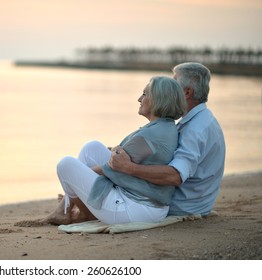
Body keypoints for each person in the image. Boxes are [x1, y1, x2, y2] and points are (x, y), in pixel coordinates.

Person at [29, 76, 187, 226]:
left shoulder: (151, 134)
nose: (139, 99)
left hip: (137, 209)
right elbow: (121, 158)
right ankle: (68, 209)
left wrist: (75, 181)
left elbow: (112, 167)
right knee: (92, 148)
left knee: (66, 165)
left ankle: (77, 212)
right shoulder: (164, 127)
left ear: (157, 99)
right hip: (150, 205)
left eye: (144, 94)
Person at [108, 62, 226, 216]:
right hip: (196, 202)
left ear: (187, 92)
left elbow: (175, 176)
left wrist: (128, 167)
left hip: (182, 206)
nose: (167, 86)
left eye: (174, 82)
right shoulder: (204, 119)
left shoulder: (195, 130)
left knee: (107, 176)